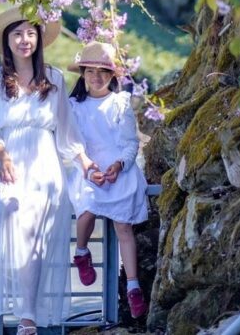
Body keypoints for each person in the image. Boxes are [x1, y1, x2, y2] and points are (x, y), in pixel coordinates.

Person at [0, 7, 94, 335]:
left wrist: (84, 162)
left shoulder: (53, 78)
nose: (25, 40)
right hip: (7, 161)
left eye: (31, 33)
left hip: (44, 165)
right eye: (17, 34)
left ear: (38, 39)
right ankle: (11, 299)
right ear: (7, 41)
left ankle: (28, 316)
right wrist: (3, 157)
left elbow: (66, 132)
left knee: (34, 240)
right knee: (7, 211)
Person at [67, 41, 150, 319]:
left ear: (112, 76)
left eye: (103, 71)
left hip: (117, 168)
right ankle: (81, 252)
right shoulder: (74, 106)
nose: (97, 77)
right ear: (82, 74)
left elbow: (130, 144)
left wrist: (118, 165)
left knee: (123, 227)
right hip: (89, 168)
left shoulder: (120, 103)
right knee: (88, 208)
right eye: (90, 71)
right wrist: (90, 169)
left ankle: (133, 285)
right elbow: (74, 143)